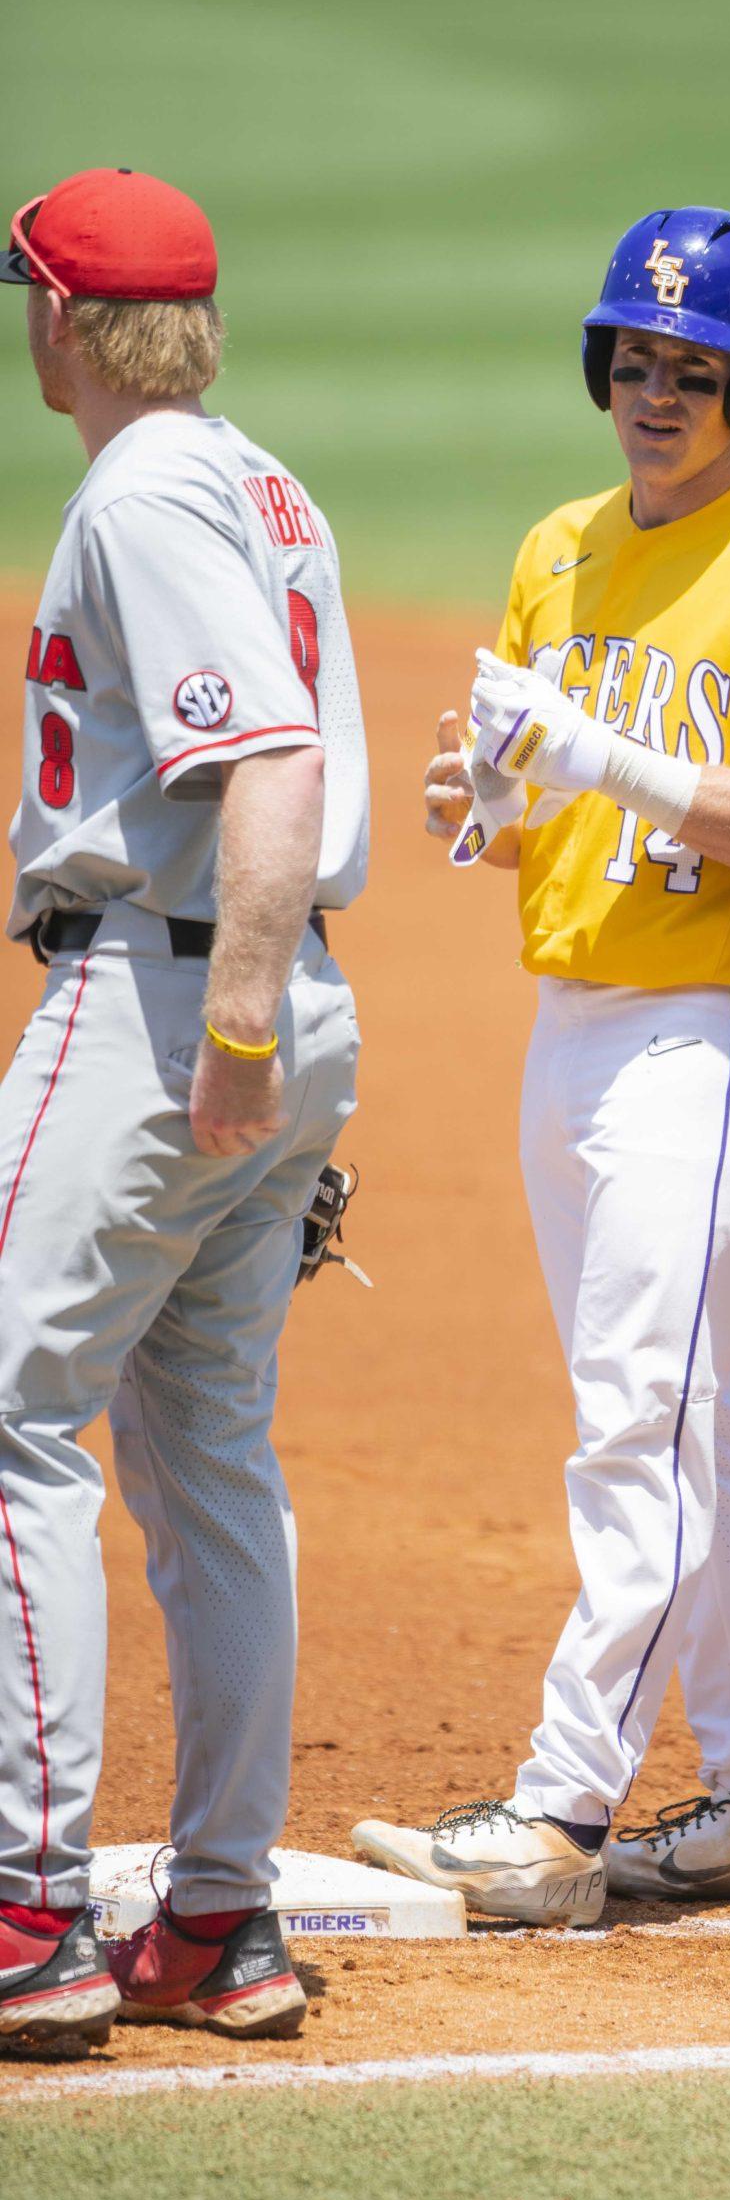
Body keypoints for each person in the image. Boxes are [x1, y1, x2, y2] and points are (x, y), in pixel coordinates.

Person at [353, 208, 730, 1924]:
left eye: (697, 371)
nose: (658, 394)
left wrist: (607, 758)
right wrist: (493, 807)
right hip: (574, 1025)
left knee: (637, 1417)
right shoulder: (561, 545)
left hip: (721, 1028)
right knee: (690, 1414)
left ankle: (561, 1812)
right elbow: (540, 812)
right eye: (636, 362)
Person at [0, 168, 368, 2046]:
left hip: (164, 1000)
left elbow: (270, 760)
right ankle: (219, 1920)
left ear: (62, 321)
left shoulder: (140, 489)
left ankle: (28, 1913)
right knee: (205, 1458)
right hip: (276, 1001)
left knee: (9, 1421)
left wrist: (225, 1031)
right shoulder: (252, 471)